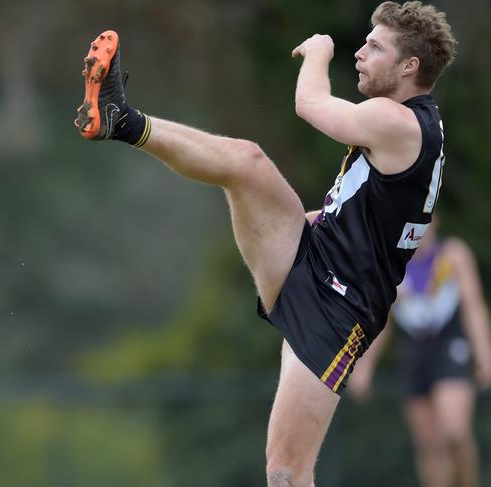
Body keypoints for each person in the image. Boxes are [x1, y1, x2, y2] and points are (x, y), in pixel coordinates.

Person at [75, 2, 456, 486]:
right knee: (246, 162)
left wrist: (319, 53)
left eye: (375, 47)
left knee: (285, 474)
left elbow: (310, 105)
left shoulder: (399, 123)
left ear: (409, 67)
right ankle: (120, 119)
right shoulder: (411, 125)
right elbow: (371, 216)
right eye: (364, 42)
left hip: (338, 310)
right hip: (313, 255)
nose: (360, 53)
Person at [348, 220, 491, 487]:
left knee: (454, 430)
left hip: (450, 348)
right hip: (414, 354)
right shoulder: (392, 265)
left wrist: (485, 355)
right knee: (429, 445)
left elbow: (473, 307)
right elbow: (382, 322)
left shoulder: (453, 255)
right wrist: (364, 368)